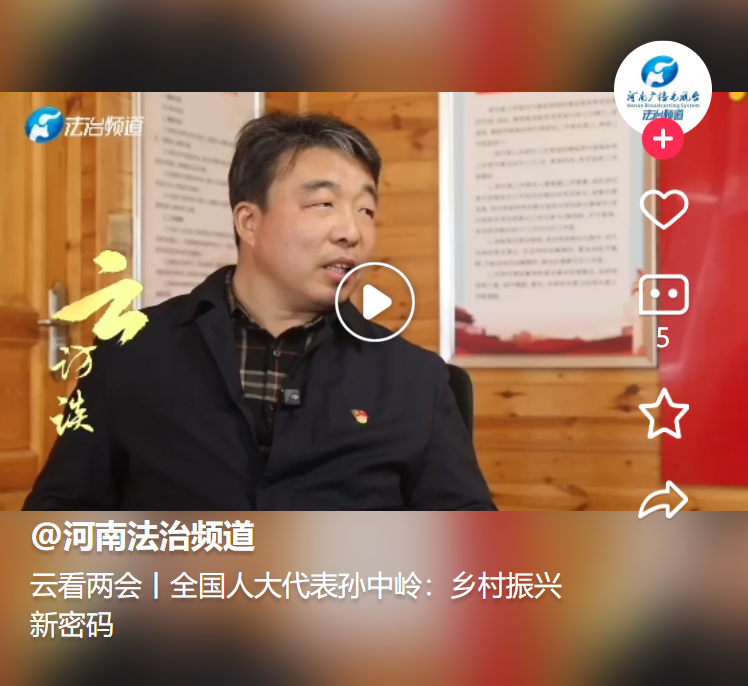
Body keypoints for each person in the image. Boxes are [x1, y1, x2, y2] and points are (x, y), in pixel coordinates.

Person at [23, 111, 496, 511]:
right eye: (323, 203)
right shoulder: (132, 351)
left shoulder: (415, 380)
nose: (351, 232)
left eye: (366, 211)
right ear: (249, 221)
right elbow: (57, 517)